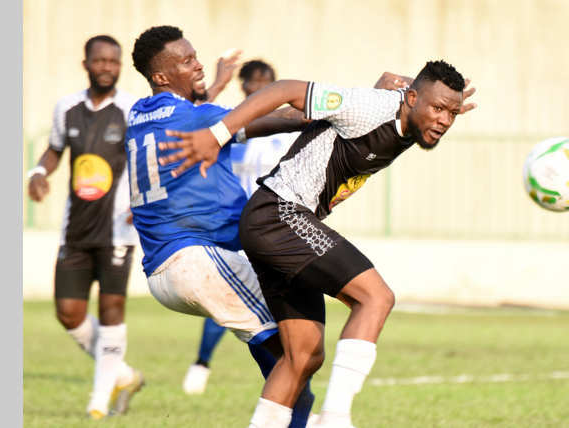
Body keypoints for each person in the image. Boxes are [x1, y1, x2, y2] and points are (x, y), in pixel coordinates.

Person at [157, 60, 477, 428]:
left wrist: (433, 100)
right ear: (412, 97)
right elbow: (287, 90)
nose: (444, 120)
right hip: (279, 213)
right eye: (437, 109)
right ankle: (336, 419)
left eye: (451, 113)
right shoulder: (371, 106)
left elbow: (394, 96)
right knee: (375, 298)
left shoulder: (409, 117)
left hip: (274, 224)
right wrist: (218, 133)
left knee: (303, 356)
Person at [126, 25, 317, 428]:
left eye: (195, 56)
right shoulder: (198, 117)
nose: (196, 64)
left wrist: (212, 86)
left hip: (166, 270)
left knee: (285, 365)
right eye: (186, 61)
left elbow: (193, 116)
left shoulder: (140, 113)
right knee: (298, 360)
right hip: (198, 259)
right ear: (161, 76)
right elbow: (279, 118)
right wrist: (348, 107)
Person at [26, 35, 145, 420]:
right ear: (87, 64)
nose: (107, 67)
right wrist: (39, 171)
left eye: (114, 61)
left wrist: (140, 202)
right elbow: (55, 149)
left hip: (118, 229)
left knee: (111, 308)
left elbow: (147, 159)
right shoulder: (67, 108)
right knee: (69, 313)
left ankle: (98, 401)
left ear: (120, 66)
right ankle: (122, 375)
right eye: (100, 61)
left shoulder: (131, 109)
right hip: (75, 229)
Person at [182, 58, 302, 395]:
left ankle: (285, 376)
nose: (262, 87)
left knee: (277, 299)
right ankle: (202, 362)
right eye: (255, 83)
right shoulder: (230, 124)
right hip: (234, 225)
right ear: (244, 87)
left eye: (269, 81)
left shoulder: (284, 128)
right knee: (229, 295)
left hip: (276, 225)